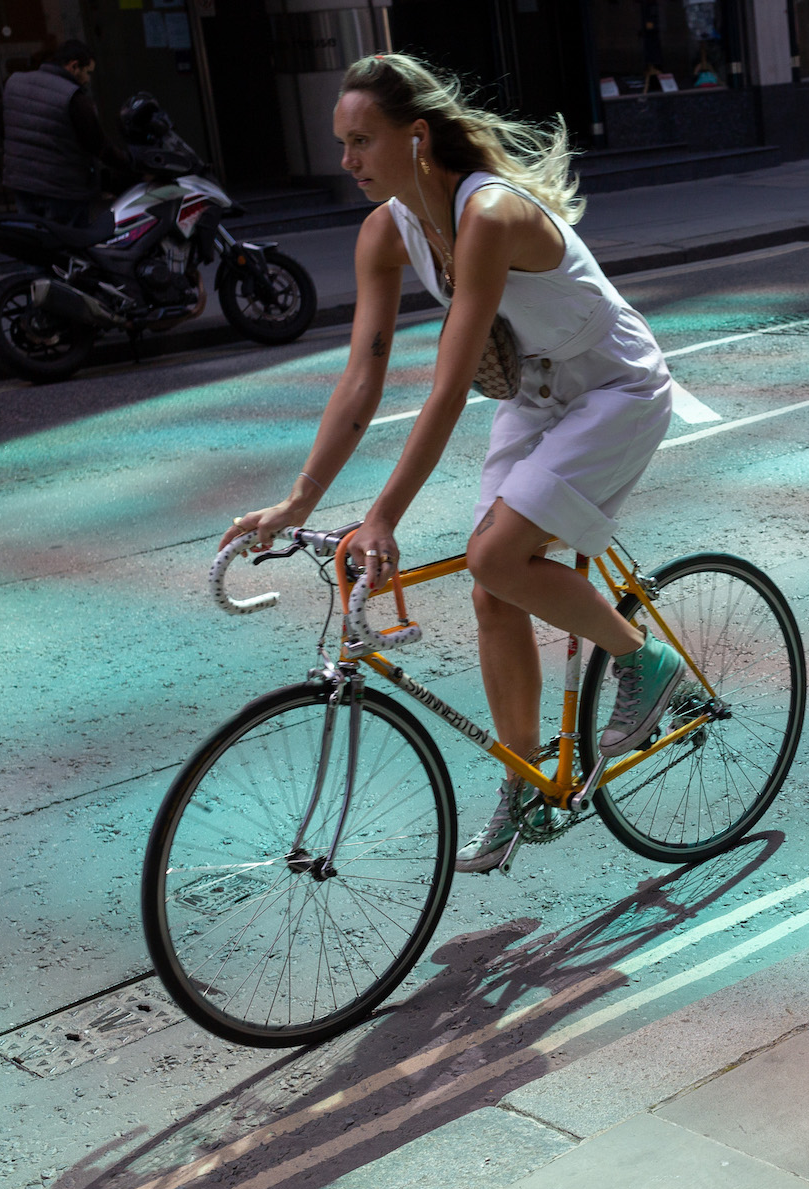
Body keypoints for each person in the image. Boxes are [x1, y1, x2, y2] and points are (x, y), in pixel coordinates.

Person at [223, 52, 683, 874]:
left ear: (419, 136)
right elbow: (362, 378)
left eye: (363, 140)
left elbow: (442, 391)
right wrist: (298, 502)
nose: (347, 161)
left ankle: (644, 662)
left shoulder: (492, 214)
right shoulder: (384, 233)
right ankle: (528, 785)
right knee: (492, 586)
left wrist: (384, 515)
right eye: (342, 142)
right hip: (539, 395)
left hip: (613, 386)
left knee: (497, 554)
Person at [1, 39, 126, 228]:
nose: (88, 79)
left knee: (34, 243)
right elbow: (98, 145)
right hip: (62, 188)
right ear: (74, 66)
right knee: (68, 246)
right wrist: (129, 167)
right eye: (87, 72)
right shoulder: (72, 96)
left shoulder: (14, 84)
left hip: (22, 183)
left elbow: (5, 131)